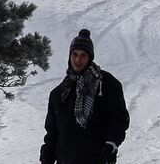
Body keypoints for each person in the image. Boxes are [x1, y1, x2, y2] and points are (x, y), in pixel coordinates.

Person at [41, 29, 130, 164]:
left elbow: (118, 120)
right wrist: (47, 156)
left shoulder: (106, 84)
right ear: (69, 56)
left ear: (90, 57)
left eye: (83, 55)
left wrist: (111, 144)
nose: (78, 60)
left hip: (97, 159)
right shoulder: (59, 94)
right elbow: (53, 131)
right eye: (74, 54)